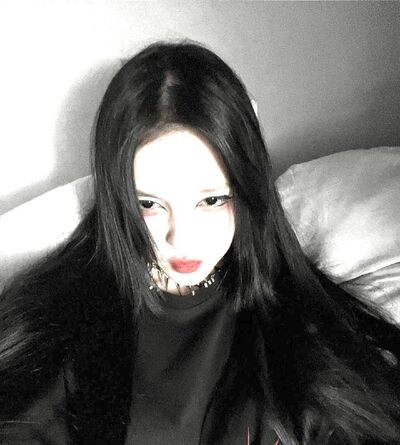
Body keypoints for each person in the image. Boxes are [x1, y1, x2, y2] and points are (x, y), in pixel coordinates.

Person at [0, 40, 400, 445]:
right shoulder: (63, 321)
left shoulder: (301, 320)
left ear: (246, 190)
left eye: (211, 200)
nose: (182, 237)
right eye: (149, 204)